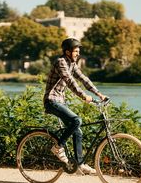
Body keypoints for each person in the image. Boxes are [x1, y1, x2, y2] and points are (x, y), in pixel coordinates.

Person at [43, 38, 107, 175]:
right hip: (51, 100)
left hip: (60, 101)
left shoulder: (72, 63)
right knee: (77, 120)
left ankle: (80, 164)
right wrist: (84, 96)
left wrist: (99, 94)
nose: (78, 54)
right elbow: (70, 81)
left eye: (79, 51)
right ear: (67, 52)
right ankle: (58, 147)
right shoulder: (61, 62)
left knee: (77, 130)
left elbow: (83, 79)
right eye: (76, 51)